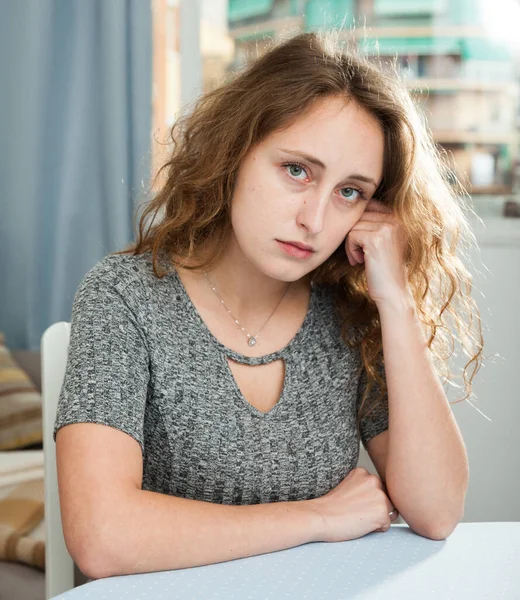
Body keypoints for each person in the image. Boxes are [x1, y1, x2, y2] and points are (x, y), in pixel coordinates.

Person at [54, 31, 483, 580]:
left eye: (350, 191)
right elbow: (102, 538)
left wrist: (395, 300)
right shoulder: (123, 298)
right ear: (233, 152)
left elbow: (437, 511)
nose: (316, 220)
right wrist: (318, 517)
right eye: (297, 170)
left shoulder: (350, 316)